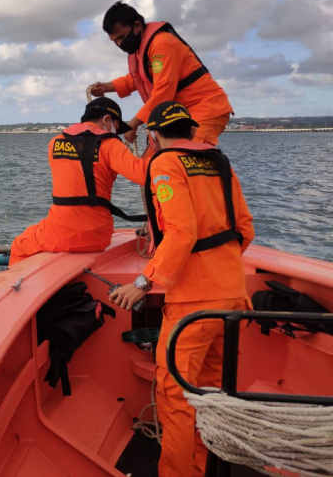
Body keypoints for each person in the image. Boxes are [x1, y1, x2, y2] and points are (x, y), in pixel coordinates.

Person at [110, 101, 254, 477]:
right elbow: (245, 228)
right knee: (214, 393)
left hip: (193, 306)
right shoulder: (220, 162)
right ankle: (205, 465)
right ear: (191, 130)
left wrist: (144, 282)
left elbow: (182, 232)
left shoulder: (164, 163)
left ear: (153, 136)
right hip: (234, 298)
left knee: (176, 395)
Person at [8, 97, 150, 266]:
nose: (116, 133)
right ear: (106, 120)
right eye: (117, 127)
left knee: (19, 245)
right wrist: (153, 146)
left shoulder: (55, 143)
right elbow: (145, 175)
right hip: (98, 236)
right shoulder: (111, 145)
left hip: (60, 232)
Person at [89, 1, 232, 146]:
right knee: (153, 159)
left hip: (204, 108)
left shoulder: (162, 44)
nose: (119, 44)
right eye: (115, 41)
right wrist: (107, 87)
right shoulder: (138, 50)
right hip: (175, 115)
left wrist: (133, 124)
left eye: (121, 38)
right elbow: (138, 79)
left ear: (137, 26)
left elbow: (164, 91)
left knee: (188, 155)